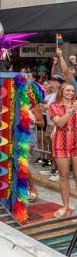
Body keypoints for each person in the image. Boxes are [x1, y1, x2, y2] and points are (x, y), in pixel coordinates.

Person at [49, 83, 77, 218]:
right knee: (64, 176)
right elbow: (60, 123)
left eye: (72, 91)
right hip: (61, 144)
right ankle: (65, 206)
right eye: (68, 90)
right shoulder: (54, 106)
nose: (70, 93)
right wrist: (71, 111)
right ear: (61, 91)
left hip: (76, 143)